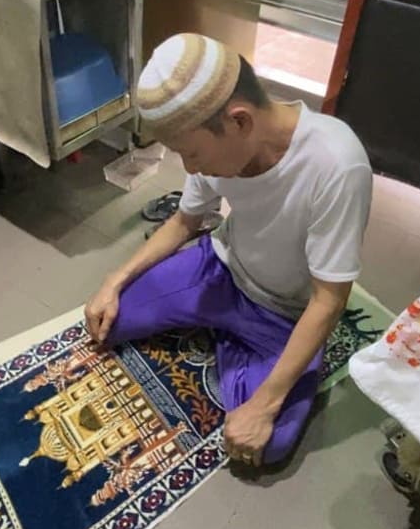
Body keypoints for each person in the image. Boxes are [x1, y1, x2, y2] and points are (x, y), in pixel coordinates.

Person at [84, 33, 373, 467]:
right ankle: (225, 329)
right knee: (109, 320)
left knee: (266, 445)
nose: (190, 168)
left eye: (192, 154)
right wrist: (115, 279)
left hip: (283, 313)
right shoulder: (218, 143)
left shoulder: (337, 165)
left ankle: (230, 333)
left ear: (239, 121)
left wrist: (265, 405)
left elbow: (329, 300)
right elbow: (185, 221)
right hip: (220, 268)